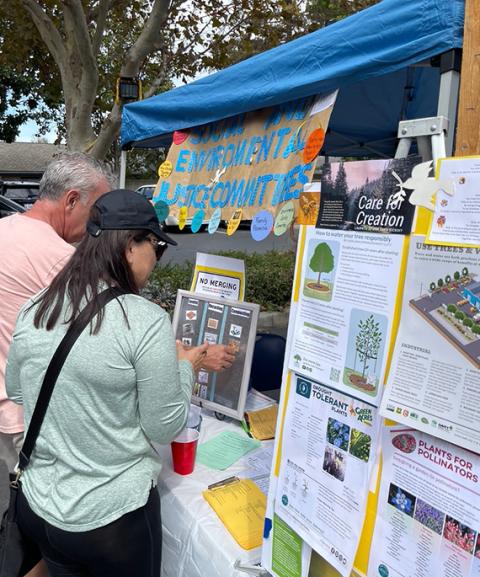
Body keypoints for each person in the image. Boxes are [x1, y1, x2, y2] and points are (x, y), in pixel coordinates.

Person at [6, 189, 209, 577]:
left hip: (41, 507)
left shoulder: (37, 305)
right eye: (156, 247)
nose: (157, 259)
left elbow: (19, 389)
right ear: (130, 246)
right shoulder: (143, 319)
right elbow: (164, 426)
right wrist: (186, 367)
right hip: (112, 520)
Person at [0, 152, 114, 476]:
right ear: (72, 200)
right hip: (29, 415)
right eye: (96, 211)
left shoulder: (4, 227)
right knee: (41, 508)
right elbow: (103, 340)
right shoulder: (60, 258)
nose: (96, 224)